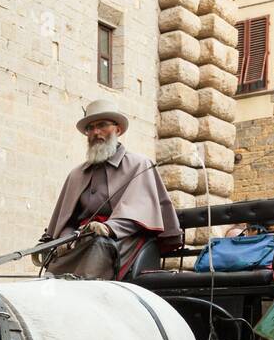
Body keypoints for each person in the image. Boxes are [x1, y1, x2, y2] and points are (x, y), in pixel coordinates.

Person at [41, 98, 182, 280]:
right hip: (80, 240)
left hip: (121, 239)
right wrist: (64, 239)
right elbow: (67, 219)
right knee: (53, 268)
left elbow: (139, 213)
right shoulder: (76, 174)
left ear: (118, 129)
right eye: (90, 128)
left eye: (102, 125)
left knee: (98, 247)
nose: (95, 132)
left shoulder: (139, 165)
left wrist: (108, 228)